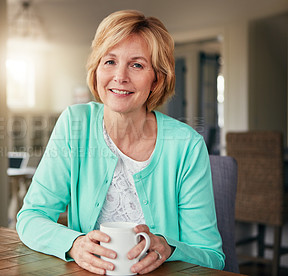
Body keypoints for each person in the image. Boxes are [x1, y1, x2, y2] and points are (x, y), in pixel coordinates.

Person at [16, 10, 225, 275]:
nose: (120, 77)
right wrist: (74, 244)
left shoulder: (186, 146)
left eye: (136, 65)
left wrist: (170, 249)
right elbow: (31, 217)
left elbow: (212, 257)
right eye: (110, 61)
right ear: (97, 68)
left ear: (156, 79)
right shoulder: (74, 124)